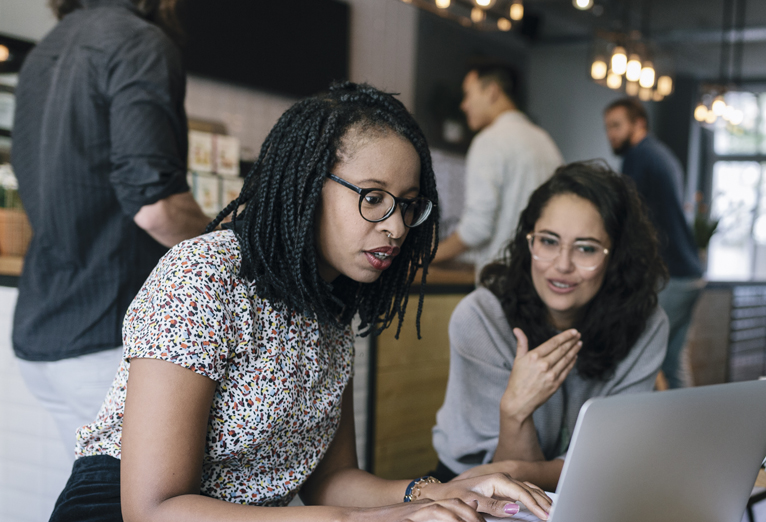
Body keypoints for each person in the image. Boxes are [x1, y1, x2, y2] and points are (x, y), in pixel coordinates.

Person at [48, 82, 551, 522]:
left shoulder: (330, 309)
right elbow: (154, 508)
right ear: (309, 185)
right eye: (372, 197)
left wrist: (438, 493)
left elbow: (331, 481)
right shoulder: (204, 275)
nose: (396, 226)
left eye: (407, 204)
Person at [10, 0, 210, 457]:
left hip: (45, 327)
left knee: (90, 500)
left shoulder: (47, 49)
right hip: (106, 338)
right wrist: (230, 241)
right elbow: (155, 207)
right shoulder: (140, 42)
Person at [432, 161, 670, 491]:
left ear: (616, 257)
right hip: (471, 491)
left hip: (583, 488)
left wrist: (541, 468)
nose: (561, 265)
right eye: (548, 241)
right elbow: (507, 487)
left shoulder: (646, 324)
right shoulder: (481, 319)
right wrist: (515, 412)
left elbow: (612, 461)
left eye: (586, 248)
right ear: (529, 242)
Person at [603, 97, 703, 389]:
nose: (611, 133)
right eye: (608, 127)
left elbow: (624, 216)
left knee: (638, 357)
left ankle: (646, 431)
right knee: (673, 362)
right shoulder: (663, 154)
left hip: (670, 275)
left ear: (639, 124)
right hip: (690, 274)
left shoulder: (638, 156)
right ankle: (690, 430)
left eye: (617, 125)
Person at [433, 61, 563, 277]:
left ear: (492, 92)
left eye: (468, 94)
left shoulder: (490, 140)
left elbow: (477, 229)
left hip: (503, 279)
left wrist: (427, 257)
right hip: (542, 275)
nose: (464, 105)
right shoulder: (546, 141)